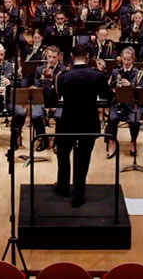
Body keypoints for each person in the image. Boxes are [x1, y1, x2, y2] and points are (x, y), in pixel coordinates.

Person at [54, 44, 111, 207]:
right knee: (83, 158)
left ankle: (63, 187)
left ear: (72, 56)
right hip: (88, 122)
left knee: (63, 155)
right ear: (87, 56)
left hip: (67, 122)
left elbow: (58, 96)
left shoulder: (63, 76)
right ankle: (78, 195)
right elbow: (107, 96)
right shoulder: (97, 76)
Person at [19, 47, 64, 151]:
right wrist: (44, 104)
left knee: (61, 116)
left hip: (58, 102)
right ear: (46, 56)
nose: (51, 60)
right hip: (43, 100)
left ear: (58, 57)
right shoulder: (40, 70)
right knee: (35, 115)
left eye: (54, 57)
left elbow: (64, 89)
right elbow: (37, 87)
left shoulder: (63, 69)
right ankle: (43, 139)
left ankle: (58, 141)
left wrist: (54, 105)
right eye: (49, 57)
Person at [104, 47, 143, 159]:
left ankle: (133, 141)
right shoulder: (116, 71)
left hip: (132, 104)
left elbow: (142, 90)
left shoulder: (138, 73)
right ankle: (112, 142)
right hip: (118, 103)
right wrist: (114, 89)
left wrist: (130, 85)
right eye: (124, 59)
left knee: (134, 120)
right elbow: (110, 86)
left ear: (133, 60)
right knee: (112, 118)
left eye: (129, 60)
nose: (126, 62)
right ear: (121, 59)